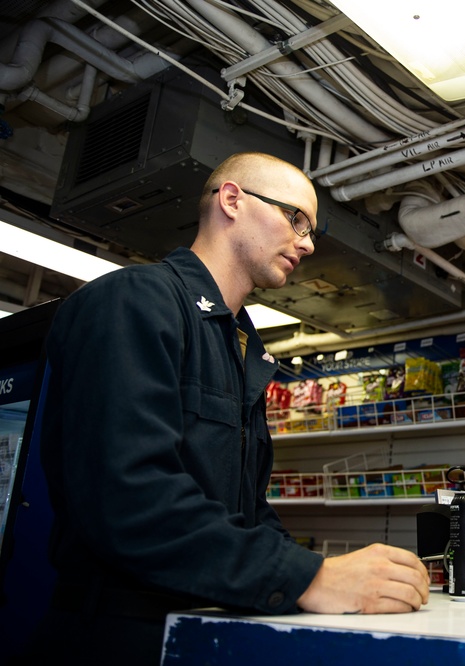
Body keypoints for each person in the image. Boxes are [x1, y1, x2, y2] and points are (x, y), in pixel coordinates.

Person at [22, 152, 430, 664]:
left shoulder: (241, 348)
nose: (306, 242)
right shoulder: (133, 301)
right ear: (232, 200)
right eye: (295, 217)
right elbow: (129, 497)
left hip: (204, 626)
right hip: (117, 635)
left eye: (311, 231)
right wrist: (310, 578)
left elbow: (248, 514)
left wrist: (332, 577)